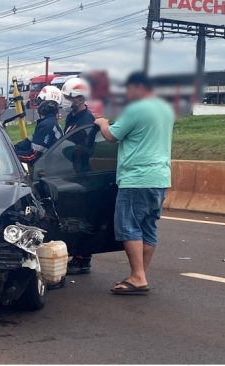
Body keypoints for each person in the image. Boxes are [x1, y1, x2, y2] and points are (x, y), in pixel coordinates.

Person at [94, 71, 175, 295]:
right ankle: (140, 274)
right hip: (160, 178)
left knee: (129, 226)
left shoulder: (136, 109)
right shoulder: (166, 109)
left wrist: (102, 123)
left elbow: (112, 135)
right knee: (148, 226)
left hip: (136, 179)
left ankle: (138, 277)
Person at [61, 77, 97, 275]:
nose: (67, 100)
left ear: (80, 98)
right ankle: (74, 253)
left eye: (69, 97)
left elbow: (85, 148)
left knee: (82, 217)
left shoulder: (87, 121)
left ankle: (83, 258)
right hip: (68, 172)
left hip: (82, 174)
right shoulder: (72, 118)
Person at [14, 85, 63, 164]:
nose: (37, 106)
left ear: (48, 105)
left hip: (47, 172)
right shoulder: (49, 123)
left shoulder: (47, 125)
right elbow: (29, 142)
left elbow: (33, 157)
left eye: (40, 102)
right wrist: (12, 148)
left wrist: (11, 155)